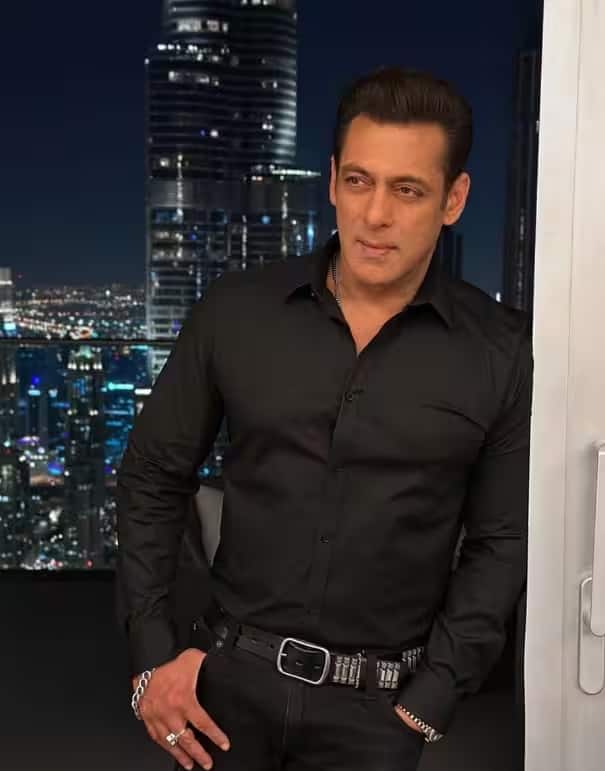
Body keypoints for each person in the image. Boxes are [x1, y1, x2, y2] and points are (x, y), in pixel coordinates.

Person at [116, 67, 533, 771]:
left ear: (453, 199)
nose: (375, 215)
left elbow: (501, 540)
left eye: (407, 190)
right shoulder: (236, 310)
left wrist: (433, 696)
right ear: (334, 180)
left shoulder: (501, 351)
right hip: (223, 689)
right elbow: (153, 476)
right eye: (359, 181)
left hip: (378, 715)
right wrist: (153, 655)